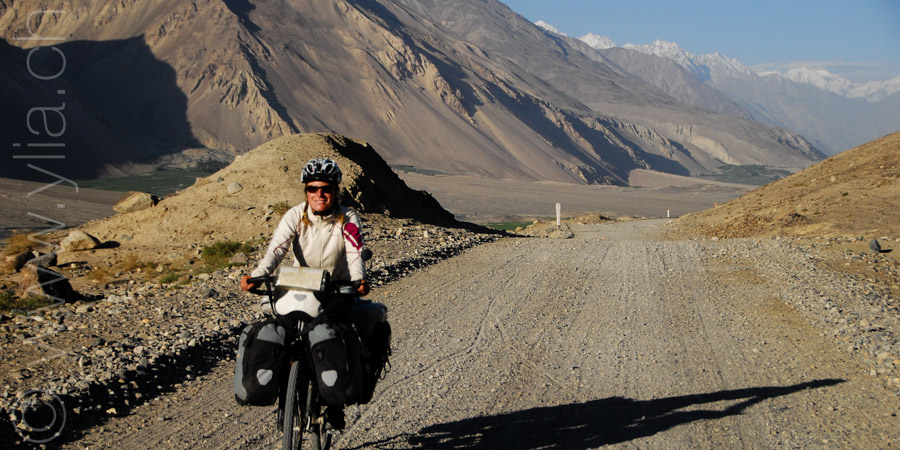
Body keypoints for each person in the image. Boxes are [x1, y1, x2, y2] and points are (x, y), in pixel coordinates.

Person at [240, 157, 389, 428]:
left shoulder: (347, 218)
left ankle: (335, 400)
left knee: (340, 332)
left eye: (325, 189)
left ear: (335, 190)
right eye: (312, 188)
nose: (319, 194)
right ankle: (286, 390)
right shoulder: (295, 216)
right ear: (306, 191)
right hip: (301, 286)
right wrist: (258, 274)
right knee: (285, 332)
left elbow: (355, 253)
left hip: (336, 289)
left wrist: (358, 279)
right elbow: (276, 250)